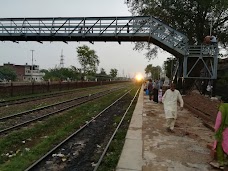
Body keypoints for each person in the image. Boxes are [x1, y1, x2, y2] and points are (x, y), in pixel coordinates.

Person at [209, 96, 228, 170]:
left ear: (222, 101)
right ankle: (227, 161)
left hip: (224, 130)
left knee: (220, 145)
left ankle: (221, 163)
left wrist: (216, 129)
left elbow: (219, 120)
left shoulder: (223, 107)